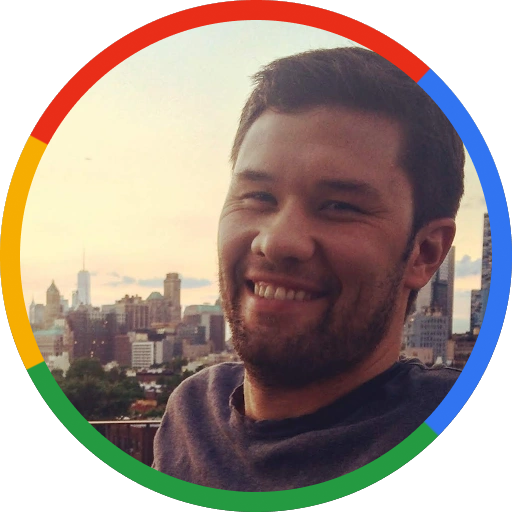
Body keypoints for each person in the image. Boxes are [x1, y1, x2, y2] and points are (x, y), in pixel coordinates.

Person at [152, 47, 464, 491]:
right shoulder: (192, 413)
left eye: (339, 206)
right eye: (259, 196)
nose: (276, 241)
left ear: (425, 253)